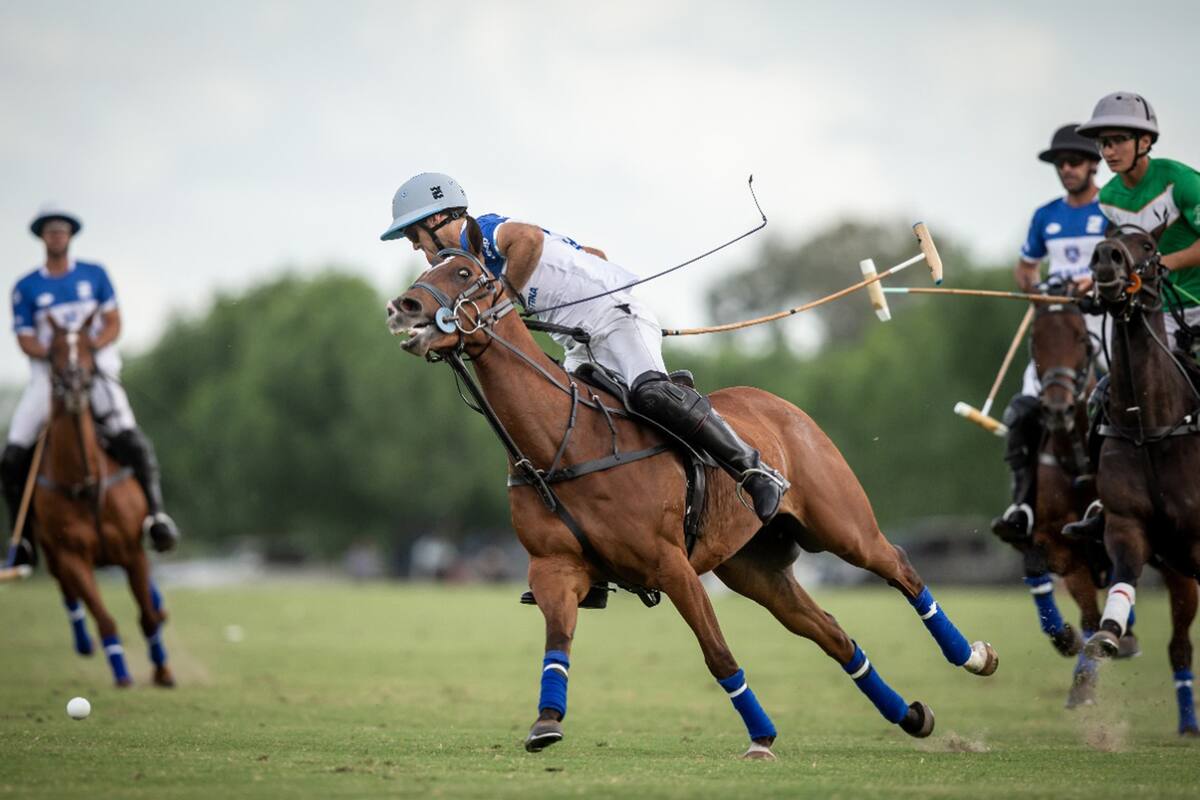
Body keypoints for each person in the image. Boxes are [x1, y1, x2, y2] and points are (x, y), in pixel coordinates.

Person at [380, 173, 788, 524]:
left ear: (436, 219)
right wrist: (412, 324)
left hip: (617, 318)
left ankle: (754, 472)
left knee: (650, 391)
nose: (415, 245)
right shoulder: (462, 269)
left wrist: (505, 294)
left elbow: (530, 239)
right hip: (580, 345)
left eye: (413, 234)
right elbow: (595, 255)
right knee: (562, 429)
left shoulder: (486, 232)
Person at [1, 207, 179, 568]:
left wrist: (85, 350)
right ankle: (22, 541)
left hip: (94, 372)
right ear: (42, 238)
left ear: (70, 237)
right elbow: (25, 338)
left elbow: (114, 322)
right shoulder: (26, 286)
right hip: (47, 380)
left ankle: (156, 518)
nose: (56, 236)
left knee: (131, 437)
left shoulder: (94, 275)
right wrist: (57, 353)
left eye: (62, 231)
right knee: (14, 453)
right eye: (50, 231)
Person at [1064, 91, 1200, 540]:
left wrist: (1165, 264)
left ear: (1145, 141)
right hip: (1155, 320)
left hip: (1198, 310)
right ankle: (1103, 499)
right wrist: (1093, 285)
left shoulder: (1181, 181)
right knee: (1102, 398)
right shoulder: (1108, 198)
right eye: (1103, 143)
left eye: (1118, 140)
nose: (1108, 151)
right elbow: (1119, 261)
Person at [990, 125, 1106, 543]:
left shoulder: (1111, 209)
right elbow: (1025, 268)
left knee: (1118, 401)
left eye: (1074, 162)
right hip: (1058, 326)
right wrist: (1035, 290)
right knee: (1023, 407)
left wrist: (1091, 283)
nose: (1067, 170)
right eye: (1061, 164)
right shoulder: (1046, 215)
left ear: (1094, 163)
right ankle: (1022, 503)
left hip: (1101, 322)